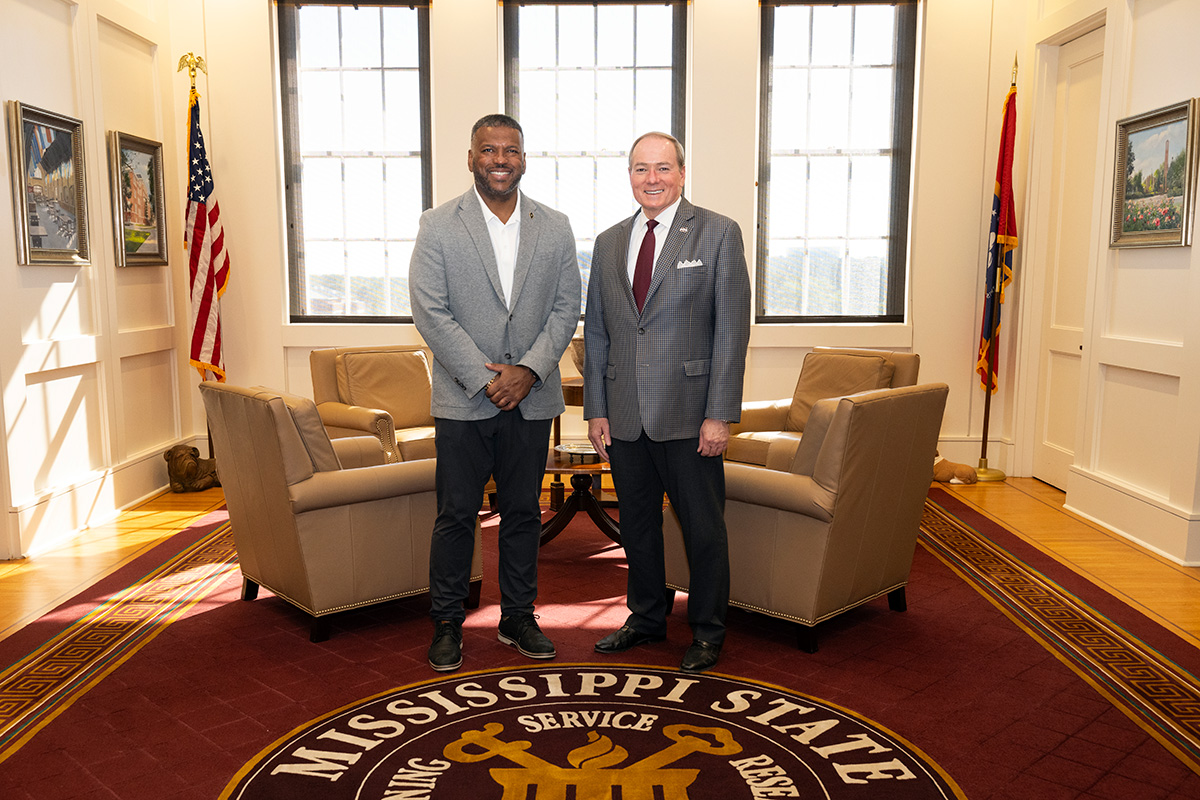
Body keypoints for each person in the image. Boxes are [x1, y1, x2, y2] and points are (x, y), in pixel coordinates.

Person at [410, 113, 581, 672]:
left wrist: (528, 371)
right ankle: (446, 623)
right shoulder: (438, 224)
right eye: (490, 150)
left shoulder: (554, 226)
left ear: (524, 158)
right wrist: (486, 378)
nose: (501, 160)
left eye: (511, 150)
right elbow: (429, 311)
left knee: (523, 512)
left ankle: (518, 617)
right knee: (456, 513)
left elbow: (564, 309)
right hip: (464, 398)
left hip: (532, 398)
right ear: (472, 157)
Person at [583, 131, 750, 674]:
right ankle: (646, 617)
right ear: (628, 175)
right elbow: (600, 333)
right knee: (636, 527)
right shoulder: (608, 242)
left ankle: (706, 631)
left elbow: (731, 332)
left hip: (690, 414)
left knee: (703, 528)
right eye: (639, 169)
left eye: (662, 168)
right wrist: (596, 408)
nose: (651, 178)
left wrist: (719, 414)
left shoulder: (718, 234)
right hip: (626, 416)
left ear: (681, 172)